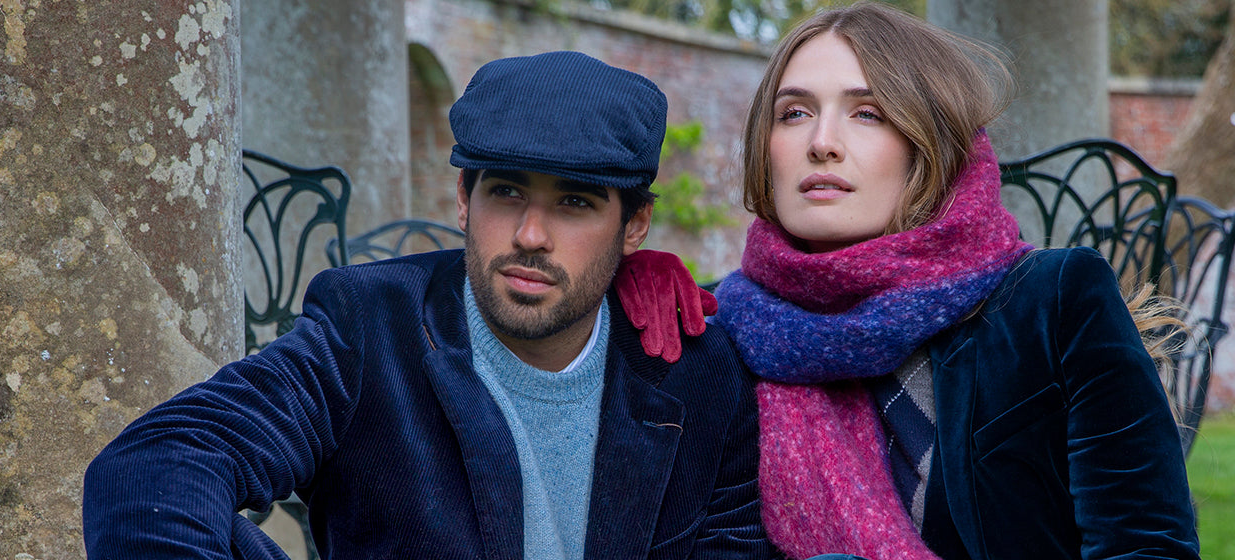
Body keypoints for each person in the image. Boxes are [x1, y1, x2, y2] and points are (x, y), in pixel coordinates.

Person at [84, 51, 772, 560]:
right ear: (463, 199)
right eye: (506, 193)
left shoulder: (703, 374)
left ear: (634, 226)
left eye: (574, 202)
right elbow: (162, 460)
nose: (531, 236)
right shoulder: (369, 327)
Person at [616, 4, 1199, 559]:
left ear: (929, 142)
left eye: (867, 113)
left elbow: (1146, 545)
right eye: (794, 112)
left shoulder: (1052, 302)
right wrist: (606, 296)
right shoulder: (718, 324)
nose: (822, 142)